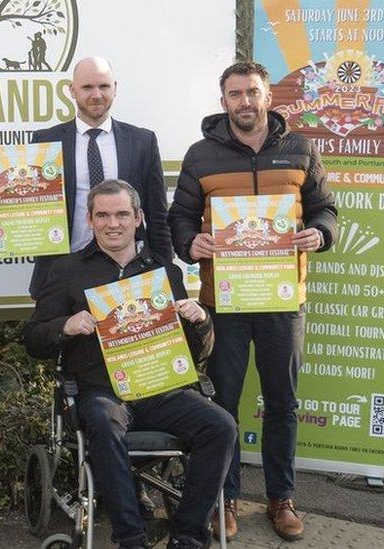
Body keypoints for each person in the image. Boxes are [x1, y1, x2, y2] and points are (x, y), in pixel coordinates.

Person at [167, 61, 337, 543]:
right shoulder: (201, 155)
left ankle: (282, 498)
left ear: (268, 98)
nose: (245, 101)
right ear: (224, 101)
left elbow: (326, 208)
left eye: (253, 92)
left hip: (283, 299)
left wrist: (319, 233)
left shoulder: (301, 148)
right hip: (223, 301)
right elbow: (178, 217)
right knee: (223, 405)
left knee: (282, 402)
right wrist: (190, 244)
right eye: (236, 94)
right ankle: (226, 498)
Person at [24, 180, 236, 549]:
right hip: (102, 393)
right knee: (106, 424)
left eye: (122, 214)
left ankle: (187, 536)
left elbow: (197, 356)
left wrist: (201, 322)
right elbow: (34, 340)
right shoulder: (67, 271)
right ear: (90, 220)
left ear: (138, 218)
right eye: (103, 215)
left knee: (221, 426)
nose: (113, 223)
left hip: (160, 390)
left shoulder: (164, 274)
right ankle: (130, 537)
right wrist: (65, 326)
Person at [0, 56, 173, 299]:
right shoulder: (45, 142)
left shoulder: (142, 141)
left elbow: (158, 216)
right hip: (63, 273)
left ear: (115, 88)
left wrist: (166, 273)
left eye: (104, 86)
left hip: (130, 276)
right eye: (87, 87)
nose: (96, 94)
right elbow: (26, 211)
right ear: (72, 91)